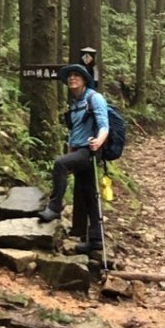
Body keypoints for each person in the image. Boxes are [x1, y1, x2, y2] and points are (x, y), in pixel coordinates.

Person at [37, 62, 109, 252]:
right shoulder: (75, 104)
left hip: (90, 150)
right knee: (89, 193)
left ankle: (54, 208)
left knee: (59, 164)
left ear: (84, 80)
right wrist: (70, 152)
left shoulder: (95, 98)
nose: (72, 78)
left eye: (77, 75)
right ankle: (95, 239)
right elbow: (74, 131)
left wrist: (98, 141)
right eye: (70, 76)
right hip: (78, 150)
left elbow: (104, 124)